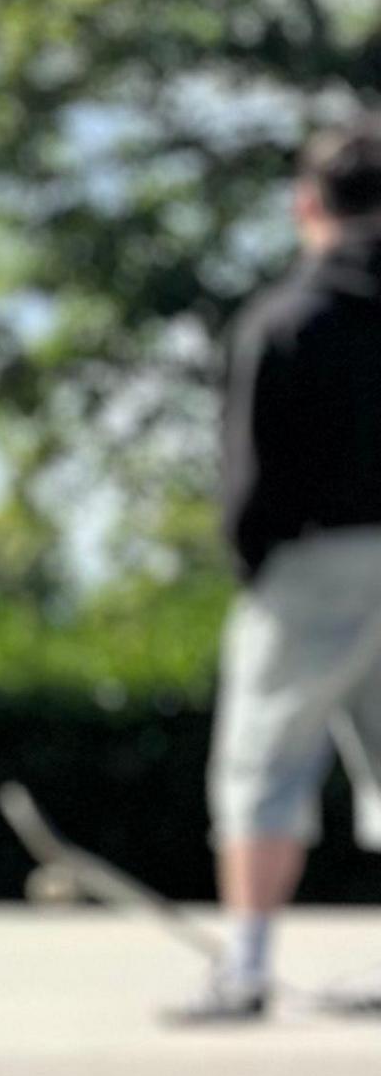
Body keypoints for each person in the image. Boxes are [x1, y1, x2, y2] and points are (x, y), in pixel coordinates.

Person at [187, 113, 381, 1022]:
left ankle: (250, 966)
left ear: (309, 205)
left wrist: (253, 562)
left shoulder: (285, 319)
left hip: (312, 562)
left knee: (264, 761)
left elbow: (252, 473)